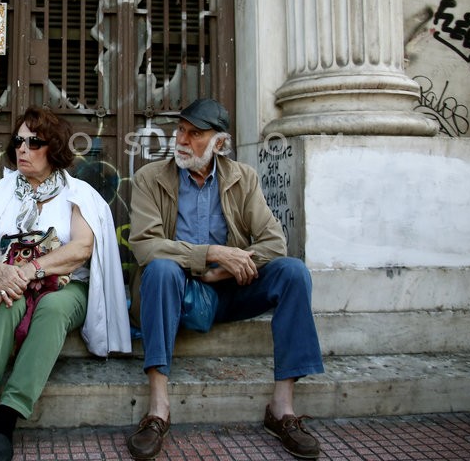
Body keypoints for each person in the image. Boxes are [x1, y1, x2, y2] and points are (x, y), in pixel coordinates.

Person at [125, 98, 324, 460]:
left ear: (219, 143)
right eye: (180, 130)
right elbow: (145, 246)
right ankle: (158, 408)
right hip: (175, 290)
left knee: (293, 271)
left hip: (230, 290)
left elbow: (274, 241)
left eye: (195, 134)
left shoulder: (242, 177)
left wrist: (233, 265)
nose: (182, 140)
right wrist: (212, 255)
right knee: (161, 268)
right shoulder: (149, 178)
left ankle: (282, 409)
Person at [0, 107, 131, 461]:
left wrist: (31, 268)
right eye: (19, 140)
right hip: (9, 280)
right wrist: (1, 273)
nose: (23, 148)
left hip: (66, 286)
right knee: (6, 301)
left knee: (52, 308)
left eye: (34, 142)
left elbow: (81, 247)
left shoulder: (78, 194)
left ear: (54, 148)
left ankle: (6, 417)